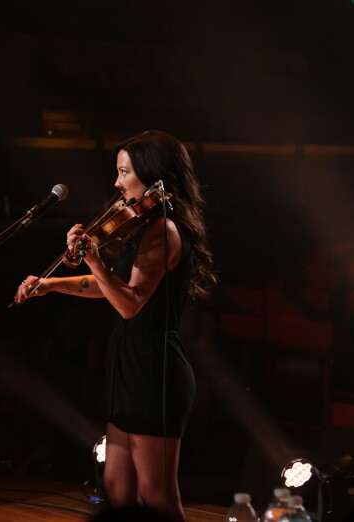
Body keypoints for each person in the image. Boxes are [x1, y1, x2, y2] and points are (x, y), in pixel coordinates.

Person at [14, 130, 215, 521]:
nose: (117, 182)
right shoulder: (141, 226)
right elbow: (110, 287)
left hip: (154, 367)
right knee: (117, 485)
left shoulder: (163, 229)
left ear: (151, 174)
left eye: (124, 172)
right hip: (130, 361)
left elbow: (130, 303)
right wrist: (50, 284)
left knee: (158, 495)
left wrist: (94, 260)